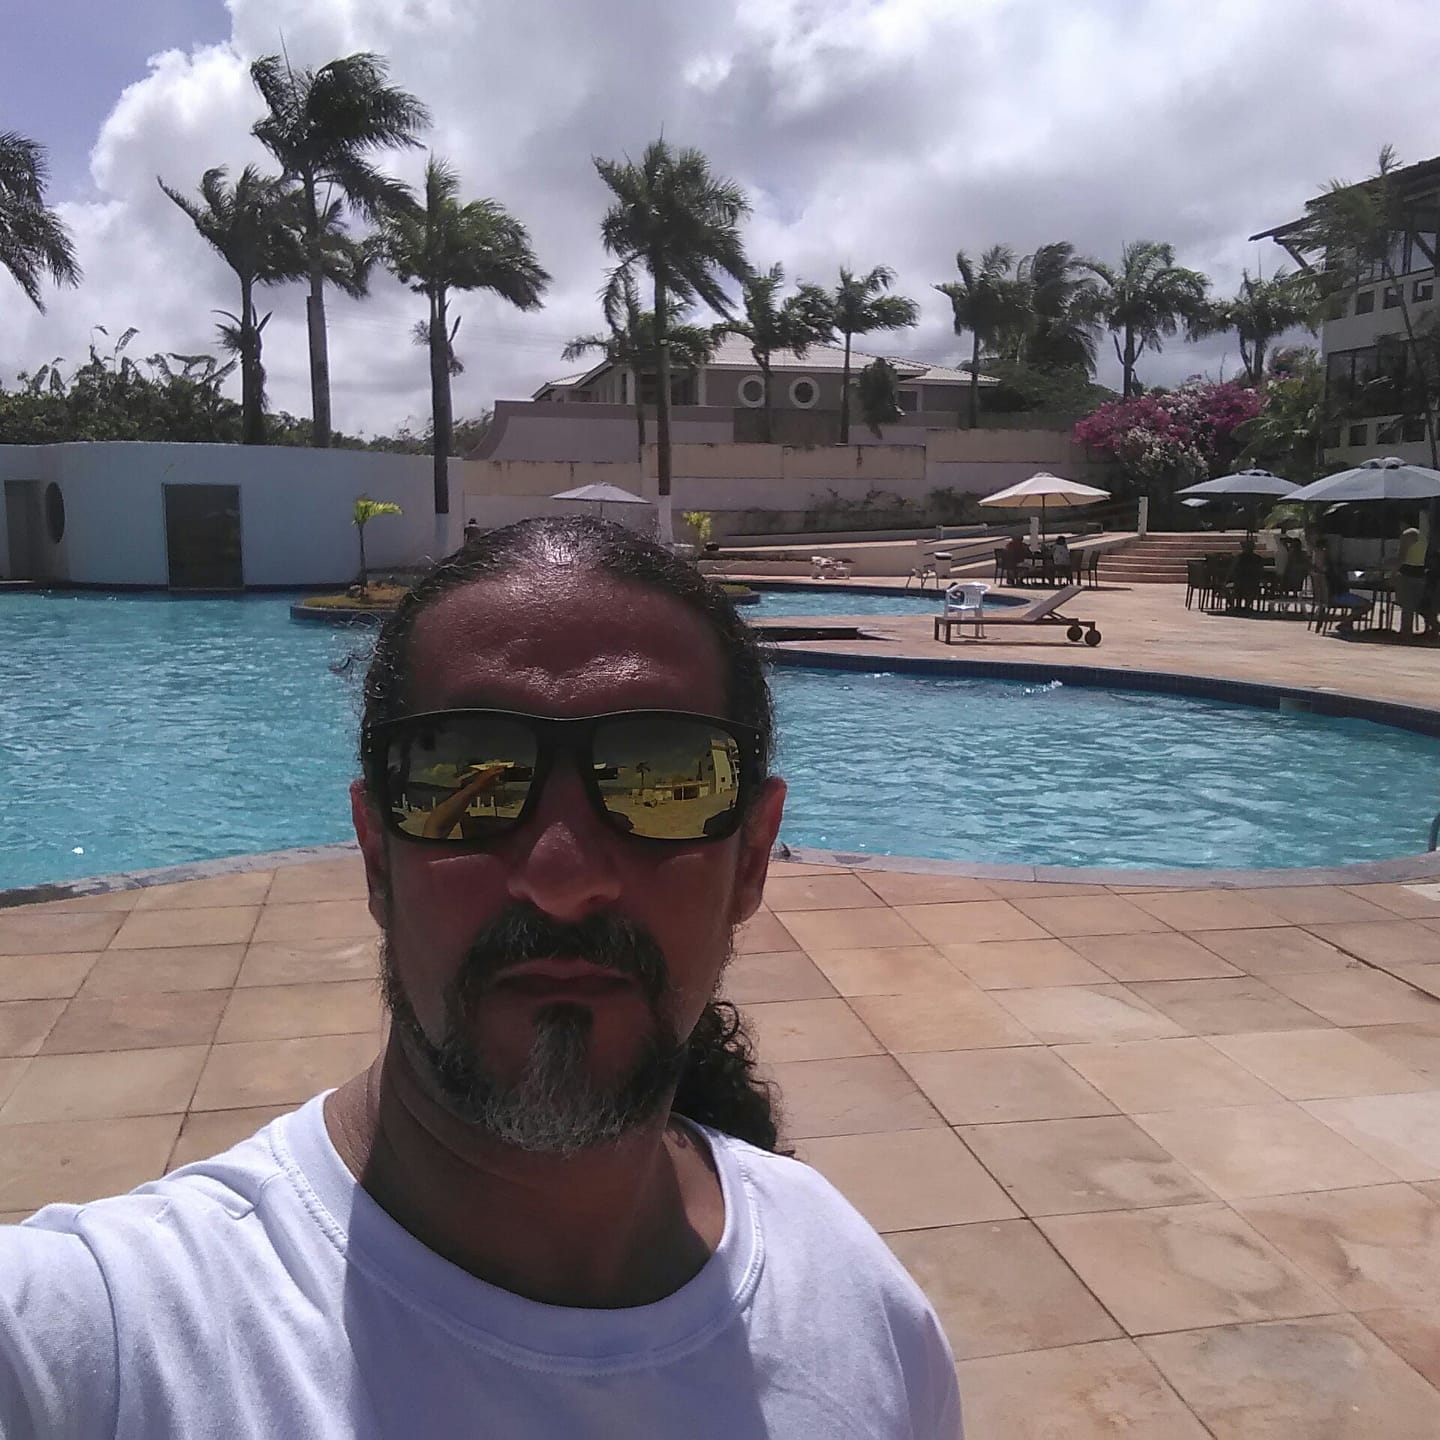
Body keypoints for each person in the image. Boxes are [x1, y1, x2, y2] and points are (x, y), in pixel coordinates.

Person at [0, 518, 962, 1439]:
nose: (563, 875)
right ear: (377, 856)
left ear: (750, 859)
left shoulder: (858, 1304)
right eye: (466, 773)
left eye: (661, 774)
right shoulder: (104, 1338)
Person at [1395, 525, 1428, 640]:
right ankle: (1433, 627)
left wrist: (1393, 573)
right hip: (1420, 573)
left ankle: (1405, 633)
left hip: (1408, 573)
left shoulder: (1408, 534)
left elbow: (1401, 557)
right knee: (1418, 605)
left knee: (1407, 605)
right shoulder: (1423, 536)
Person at [1228, 535, 1267, 613]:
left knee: (1232, 587)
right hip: (1253, 583)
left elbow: (1232, 570)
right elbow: (1261, 571)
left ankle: (1236, 606)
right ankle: (1247, 606)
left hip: (1240, 582)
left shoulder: (1239, 558)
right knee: (1250, 588)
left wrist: (1227, 579)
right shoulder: (1258, 558)